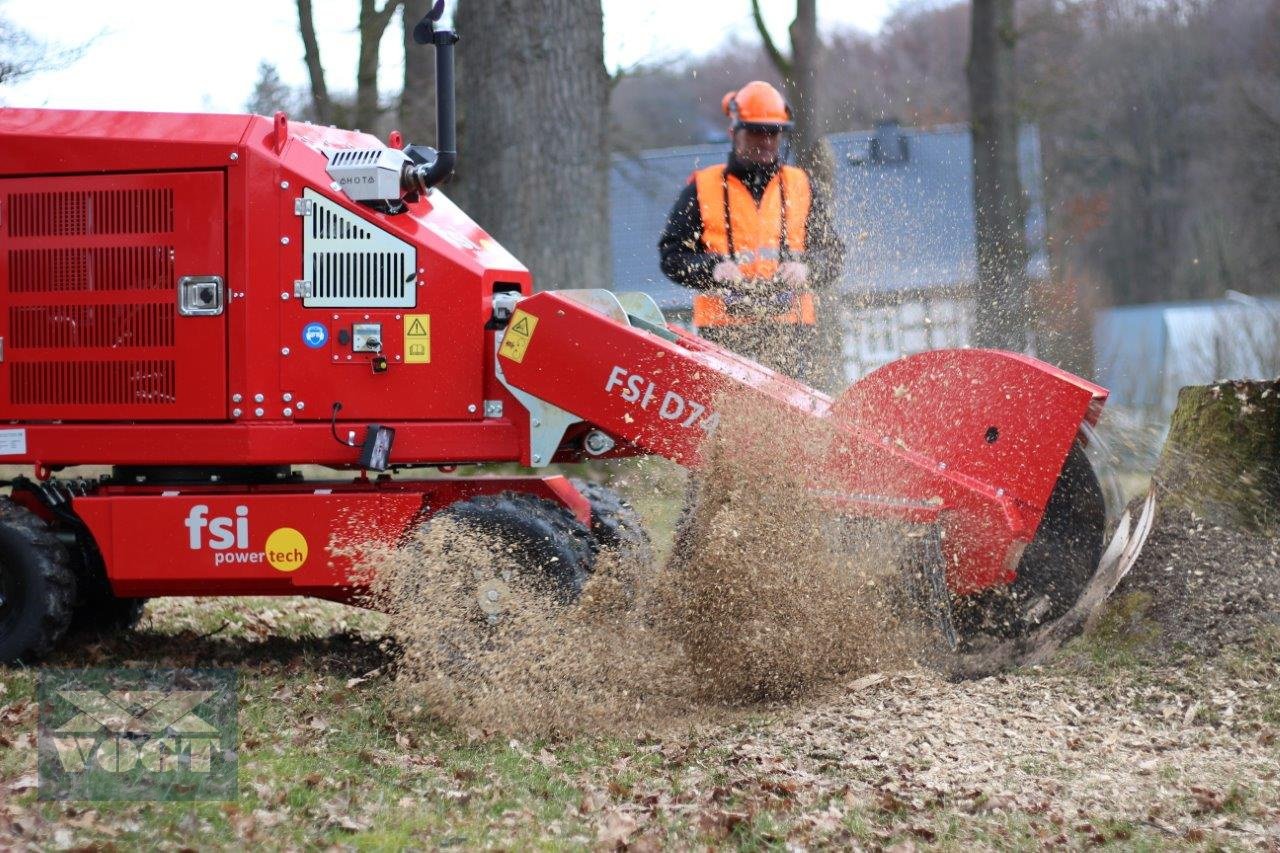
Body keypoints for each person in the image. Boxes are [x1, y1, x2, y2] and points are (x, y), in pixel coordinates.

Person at [658, 80, 843, 381]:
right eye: (756, 131)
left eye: (773, 132)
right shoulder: (702, 188)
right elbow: (671, 257)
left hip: (792, 333)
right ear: (734, 132)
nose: (766, 140)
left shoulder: (801, 186)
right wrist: (712, 269)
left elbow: (832, 256)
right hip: (723, 333)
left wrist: (807, 269)